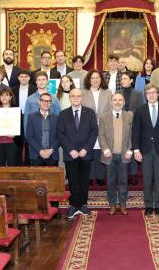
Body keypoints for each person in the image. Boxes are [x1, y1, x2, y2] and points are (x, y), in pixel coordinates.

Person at [132, 84, 159, 216]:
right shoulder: (140, 110)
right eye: (148, 93)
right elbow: (136, 131)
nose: (151, 95)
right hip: (145, 150)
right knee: (147, 179)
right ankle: (149, 205)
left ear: (158, 94)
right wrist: (136, 150)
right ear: (145, 95)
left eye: (153, 92)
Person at [57, 88, 98, 219]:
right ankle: (74, 205)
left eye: (78, 96)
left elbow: (94, 132)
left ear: (82, 98)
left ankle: (83, 204)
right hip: (71, 154)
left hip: (86, 153)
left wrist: (86, 148)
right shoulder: (63, 114)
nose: (76, 98)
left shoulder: (90, 113)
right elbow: (60, 133)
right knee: (73, 180)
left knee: (84, 180)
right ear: (70, 98)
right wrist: (70, 149)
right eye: (73, 96)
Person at [98, 93, 133, 215]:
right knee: (111, 181)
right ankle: (112, 204)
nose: (117, 102)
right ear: (111, 102)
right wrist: (105, 149)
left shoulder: (129, 116)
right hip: (109, 155)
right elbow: (101, 135)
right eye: (115, 100)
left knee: (123, 181)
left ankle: (123, 204)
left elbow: (132, 134)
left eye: (120, 100)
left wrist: (130, 149)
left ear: (123, 103)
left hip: (124, 155)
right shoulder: (104, 117)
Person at [82, 70, 112, 186]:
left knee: (101, 150)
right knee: (89, 150)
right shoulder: (84, 93)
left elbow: (110, 109)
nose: (95, 80)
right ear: (89, 80)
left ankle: (100, 176)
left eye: (97, 78)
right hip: (88, 126)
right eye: (92, 78)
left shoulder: (108, 92)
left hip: (104, 126)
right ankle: (90, 176)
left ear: (101, 79)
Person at [116, 71, 144, 185]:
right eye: (122, 79)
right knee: (121, 149)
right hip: (119, 125)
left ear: (131, 80)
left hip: (133, 125)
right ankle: (122, 174)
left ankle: (132, 174)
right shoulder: (118, 92)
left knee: (132, 149)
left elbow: (141, 109)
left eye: (125, 78)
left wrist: (132, 115)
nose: (123, 81)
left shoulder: (137, 94)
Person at [25, 92, 60, 166]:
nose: (46, 103)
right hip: (36, 155)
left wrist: (51, 150)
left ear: (51, 104)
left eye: (48, 101)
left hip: (52, 155)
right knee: (37, 178)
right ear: (39, 102)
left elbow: (60, 137)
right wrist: (40, 151)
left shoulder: (57, 118)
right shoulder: (31, 117)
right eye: (43, 101)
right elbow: (29, 136)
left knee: (52, 178)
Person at [12, 70, 36, 165]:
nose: (24, 78)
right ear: (18, 78)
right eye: (21, 76)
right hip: (16, 118)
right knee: (17, 141)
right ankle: (18, 163)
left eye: (26, 77)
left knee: (29, 140)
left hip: (30, 117)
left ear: (29, 78)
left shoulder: (34, 89)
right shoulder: (13, 89)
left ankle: (28, 163)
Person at [0, 88, 19, 166]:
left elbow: (19, 129)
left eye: (7, 95)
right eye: (2, 95)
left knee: (12, 167)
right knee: (0, 168)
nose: (4, 97)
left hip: (12, 143)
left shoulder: (16, 111)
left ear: (11, 97)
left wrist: (14, 134)